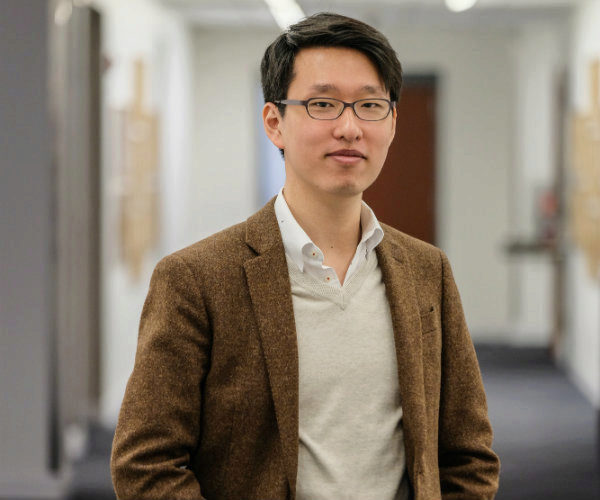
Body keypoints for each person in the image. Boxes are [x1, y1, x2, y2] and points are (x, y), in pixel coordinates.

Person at [111, 12, 500, 500]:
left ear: (393, 122)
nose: (349, 128)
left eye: (370, 105)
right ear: (275, 122)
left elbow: (468, 454)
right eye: (323, 104)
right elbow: (145, 464)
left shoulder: (427, 271)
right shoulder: (197, 279)